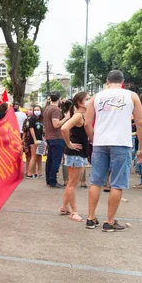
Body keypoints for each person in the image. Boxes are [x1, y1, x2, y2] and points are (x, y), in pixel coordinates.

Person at [84, 70, 142, 232]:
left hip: (100, 143)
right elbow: (140, 123)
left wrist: (93, 138)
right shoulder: (132, 96)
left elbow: (87, 123)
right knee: (117, 183)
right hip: (121, 142)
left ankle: (90, 218)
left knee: (96, 181)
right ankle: (109, 221)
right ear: (122, 81)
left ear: (107, 81)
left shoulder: (96, 97)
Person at [61, 92, 91, 222]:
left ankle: (64, 207)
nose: (90, 101)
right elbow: (64, 128)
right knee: (72, 183)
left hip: (80, 153)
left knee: (73, 182)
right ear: (80, 102)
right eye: (87, 99)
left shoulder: (83, 115)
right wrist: (69, 144)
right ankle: (73, 212)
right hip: (75, 153)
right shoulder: (78, 116)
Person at [44, 94, 71, 188]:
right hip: (56, 137)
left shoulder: (47, 108)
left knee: (50, 160)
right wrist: (66, 118)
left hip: (50, 137)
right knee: (56, 160)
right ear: (59, 99)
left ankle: (49, 180)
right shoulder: (55, 109)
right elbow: (56, 124)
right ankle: (52, 181)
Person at [26, 105, 44, 179]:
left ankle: (39, 173)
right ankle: (29, 173)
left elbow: (41, 131)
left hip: (40, 140)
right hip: (34, 141)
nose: (37, 111)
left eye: (38, 109)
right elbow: (31, 130)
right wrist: (34, 140)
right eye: (35, 110)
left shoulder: (40, 119)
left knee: (39, 156)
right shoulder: (32, 119)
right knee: (33, 156)